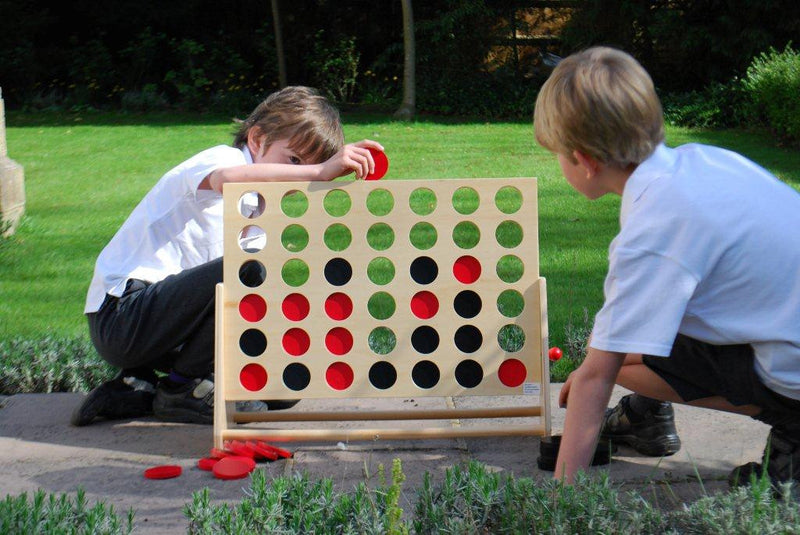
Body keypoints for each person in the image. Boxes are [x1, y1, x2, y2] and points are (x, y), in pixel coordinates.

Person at [532, 46, 800, 486]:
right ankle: (645, 414)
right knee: (629, 343)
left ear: (583, 159)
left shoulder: (652, 234)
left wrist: (562, 503)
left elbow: (599, 375)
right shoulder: (705, 161)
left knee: (608, 361)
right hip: (784, 329)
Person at [73, 86, 383, 426]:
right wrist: (318, 172)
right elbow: (227, 180)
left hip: (165, 328)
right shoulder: (225, 159)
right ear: (256, 139)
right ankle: (181, 388)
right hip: (122, 316)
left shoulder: (256, 212)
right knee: (247, 268)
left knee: (283, 390)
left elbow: (243, 305)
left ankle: (138, 385)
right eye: (293, 161)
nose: (296, 176)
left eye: (307, 167)